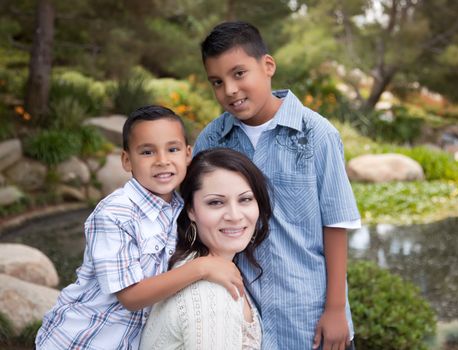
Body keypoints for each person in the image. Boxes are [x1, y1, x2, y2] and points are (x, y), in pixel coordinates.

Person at [194, 21, 362, 349]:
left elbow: (336, 223)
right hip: (242, 323)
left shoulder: (316, 135)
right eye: (217, 81)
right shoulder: (212, 140)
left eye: (239, 73)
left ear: (268, 66)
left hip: (309, 318)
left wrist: (335, 309)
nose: (229, 90)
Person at [36, 106, 244, 349]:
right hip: (82, 340)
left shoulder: (181, 208)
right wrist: (202, 267)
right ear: (126, 160)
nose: (162, 161)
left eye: (173, 149)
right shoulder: (115, 214)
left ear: (188, 154)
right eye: (147, 152)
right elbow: (131, 297)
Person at [139, 147, 271, 349]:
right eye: (216, 202)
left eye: (245, 199)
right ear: (191, 210)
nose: (234, 216)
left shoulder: (201, 265)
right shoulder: (211, 296)